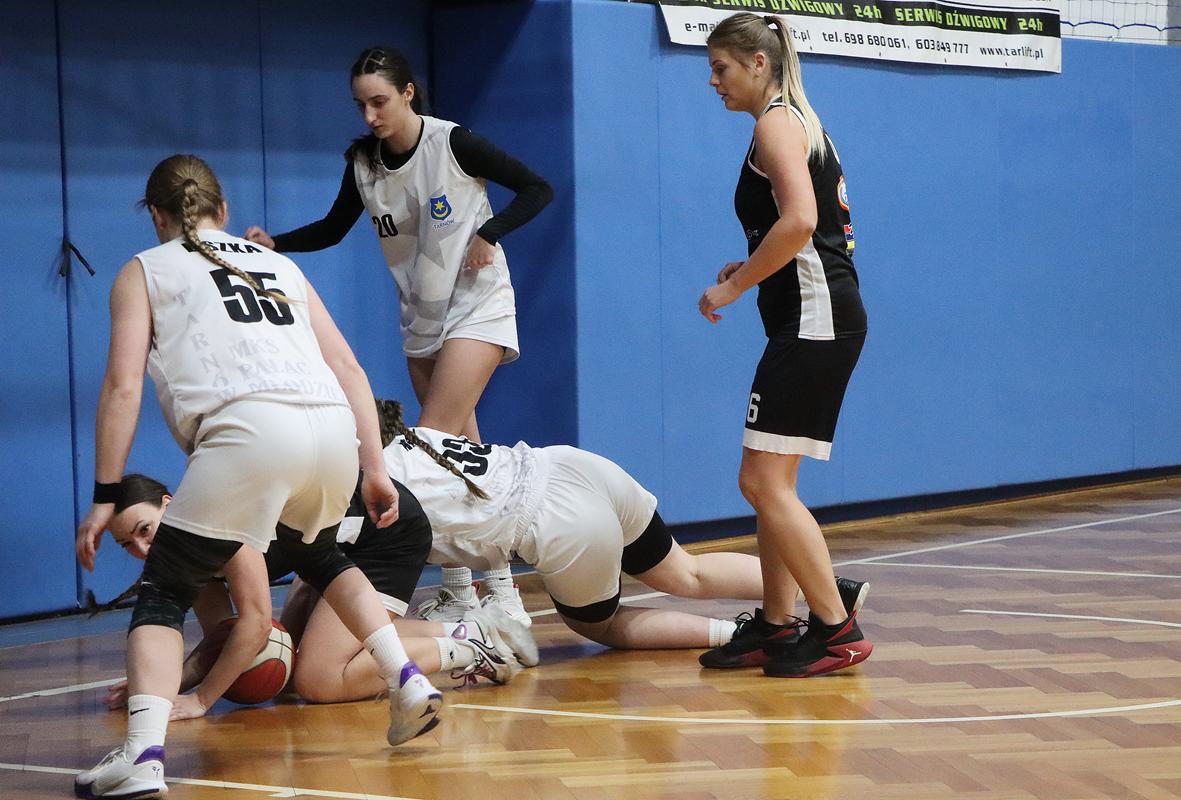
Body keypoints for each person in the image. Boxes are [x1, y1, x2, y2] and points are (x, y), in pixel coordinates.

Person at [71, 155, 441, 800]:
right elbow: (350, 370)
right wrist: (374, 468)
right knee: (319, 555)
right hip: (331, 431)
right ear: (224, 210)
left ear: (157, 216)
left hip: (250, 430)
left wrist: (106, 494)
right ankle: (406, 681)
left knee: (164, 591)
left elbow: (123, 386)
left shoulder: (145, 269)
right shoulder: (280, 264)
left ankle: (142, 756)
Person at [245, 46, 553, 626]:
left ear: (408, 92)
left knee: (426, 447)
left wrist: (490, 231)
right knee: (460, 456)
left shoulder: (453, 143)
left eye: (380, 101)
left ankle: (492, 593)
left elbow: (537, 188)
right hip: (421, 318)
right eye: (361, 105)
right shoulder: (363, 162)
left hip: (477, 307)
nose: (370, 116)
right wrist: (276, 244)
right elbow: (334, 227)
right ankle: (474, 588)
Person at [378, 402, 867, 652]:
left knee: (602, 625)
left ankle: (736, 634)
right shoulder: (412, 436)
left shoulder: (373, 492)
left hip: (565, 524)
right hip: (571, 466)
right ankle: (827, 590)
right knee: (686, 572)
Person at [695, 13, 872, 678]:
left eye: (720, 68)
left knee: (760, 481)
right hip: (813, 318)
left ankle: (836, 628)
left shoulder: (776, 124)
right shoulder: (791, 119)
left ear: (758, 63)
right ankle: (775, 623)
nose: (713, 81)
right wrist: (748, 266)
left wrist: (735, 285)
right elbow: (797, 229)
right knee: (773, 483)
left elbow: (799, 221)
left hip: (815, 321)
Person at [99, 473, 533, 711]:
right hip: (329, 546)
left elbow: (255, 627)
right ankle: (471, 628)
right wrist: (162, 684)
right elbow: (226, 640)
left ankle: (471, 649)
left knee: (319, 678)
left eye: (144, 530)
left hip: (382, 533)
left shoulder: (218, 525)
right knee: (289, 667)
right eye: (127, 544)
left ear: (170, 504)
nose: (142, 548)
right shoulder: (182, 556)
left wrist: (199, 699)